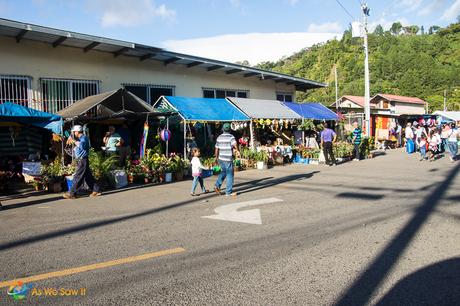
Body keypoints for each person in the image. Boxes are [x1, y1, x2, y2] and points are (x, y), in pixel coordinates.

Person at [63, 125, 101, 199]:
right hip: (82, 160)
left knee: (77, 176)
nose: (73, 133)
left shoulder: (84, 138)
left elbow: (82, 145)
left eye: (74, 132)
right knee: (88, 177)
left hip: (82, 160)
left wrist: (74, 141)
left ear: (77, 132)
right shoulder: (80, 138)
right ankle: (96, 190)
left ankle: (72, 193)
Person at [214, 123, 239, 197]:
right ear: (230, 129)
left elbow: (216, 148)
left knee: (224, 172)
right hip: (228, 159)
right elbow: (235, 144)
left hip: (221, 158)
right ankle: (228, 192)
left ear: (223, 129)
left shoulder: (219, 137)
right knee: (230, 175)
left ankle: (217, 185)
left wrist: (216, 157)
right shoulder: (231, 137)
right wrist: (237, 150)